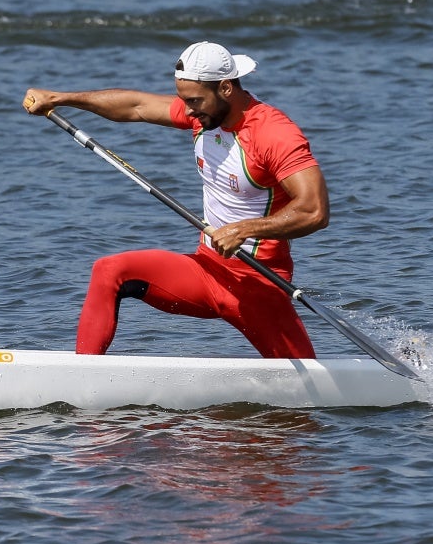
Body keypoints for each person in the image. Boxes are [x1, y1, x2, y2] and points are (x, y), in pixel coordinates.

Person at [22, 41, 329, 359]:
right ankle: (83, 377)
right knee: (110, 270)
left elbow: (314, 210)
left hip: (258, 284)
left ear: (225, 88)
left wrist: (244, 229)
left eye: (195, 101)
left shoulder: (274, 134)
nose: (189, 110)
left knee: (309, 392)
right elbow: (136, 106)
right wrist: (61, 99)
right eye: (184, 100)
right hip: (207, 271)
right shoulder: (205, 114)